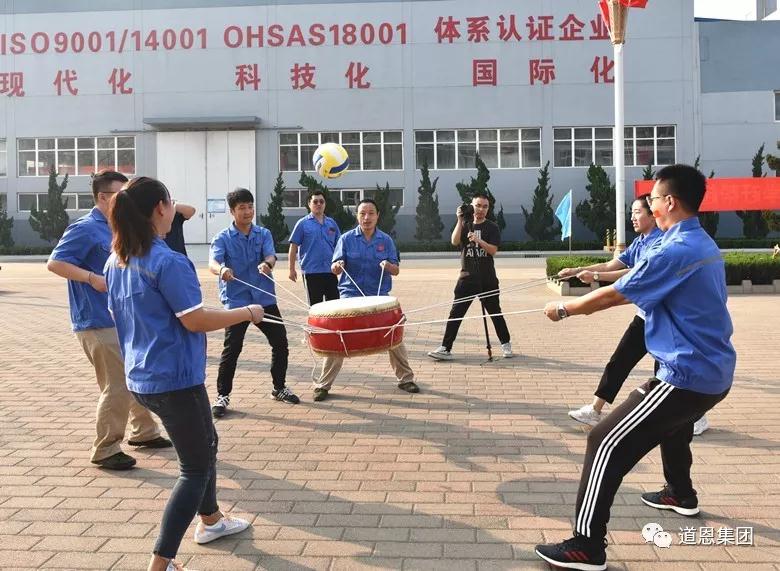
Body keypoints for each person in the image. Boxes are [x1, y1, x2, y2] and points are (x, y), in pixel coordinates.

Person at [535, 164, 735, 571]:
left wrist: (564, 308)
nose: (649, 206)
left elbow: (615, 295)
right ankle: (680, 493)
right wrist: (590, 274)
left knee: (603, 441)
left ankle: (586, 545)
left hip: (687, 374)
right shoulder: (698, 242)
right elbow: (633, 274)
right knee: (673, 427)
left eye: (654, 199)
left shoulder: (676, 249)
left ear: (670, 202)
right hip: (712, 372)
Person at [105, 176, 255, 571]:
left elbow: (122, 316)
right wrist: (246, 312)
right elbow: (195, 319)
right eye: (170, 203)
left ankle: (212, 520)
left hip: (145, 376)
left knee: (207, 444)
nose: (174, 209)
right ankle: (161, 563)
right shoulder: (167, 261)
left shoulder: (117, 260)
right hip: (174, 379)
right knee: (195, 469)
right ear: (160, 208)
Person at [48, 170, 169, 471]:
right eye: (120, 193)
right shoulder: (85, 229)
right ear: (103, 197)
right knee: (116, 384)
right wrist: (92, 278)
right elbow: (55, 262)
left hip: (120, 318)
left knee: (132, 376)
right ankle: (106, 448)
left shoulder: (118, 227)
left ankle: (144, 431)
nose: (126, 198)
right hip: (96, 320)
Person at [312, 198, 420, 401]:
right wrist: (337, 266)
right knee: (339, 338)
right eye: (362, 213)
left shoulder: (385, 240)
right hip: (350, 296)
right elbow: (334, 267)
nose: (367, 217)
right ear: (357, 216)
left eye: (371, 213)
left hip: (379, 298)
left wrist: (388, 266)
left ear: (378, 216)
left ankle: (406, 379)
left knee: (393, 335)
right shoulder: (346, 239)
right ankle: (323, 385)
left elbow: (396, 270)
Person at [209, 188, 299, 417]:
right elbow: (213, 262)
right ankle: (222, 395)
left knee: (280, 343)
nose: (248, 212)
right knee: (232, 348)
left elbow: (271, 255)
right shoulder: (222, 238)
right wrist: (222, 269)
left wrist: (267, 264)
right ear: (232, 211)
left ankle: (279, 387)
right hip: (237, 302)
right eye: (242, 208)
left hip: (264, 298)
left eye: (250, 207)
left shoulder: (263, 233)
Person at [427, 194, 513, 360]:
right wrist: (460, 220)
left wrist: (478, 240)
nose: (481, 209)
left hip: (487, 278)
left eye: (485, 206)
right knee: (456, 313)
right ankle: (445, 348)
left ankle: (506, 343)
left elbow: (493, 250)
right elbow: (454, 241)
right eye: (478, 205)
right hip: (466, 277)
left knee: (495, 312)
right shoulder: (465, 225)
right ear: (472, 206)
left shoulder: (492, 227)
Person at [288, 190, 341, 304]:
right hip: (311, 272)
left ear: (325, 204)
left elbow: (339, 246)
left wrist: (340, 263)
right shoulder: (302, 224)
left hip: (330, 271)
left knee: (334, 306)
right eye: (315, 201)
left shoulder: (332, 223)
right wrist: (291, 269)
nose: (319, 204)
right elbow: (293, 247)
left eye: (321, 201)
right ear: (309, 204)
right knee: (315, 307)